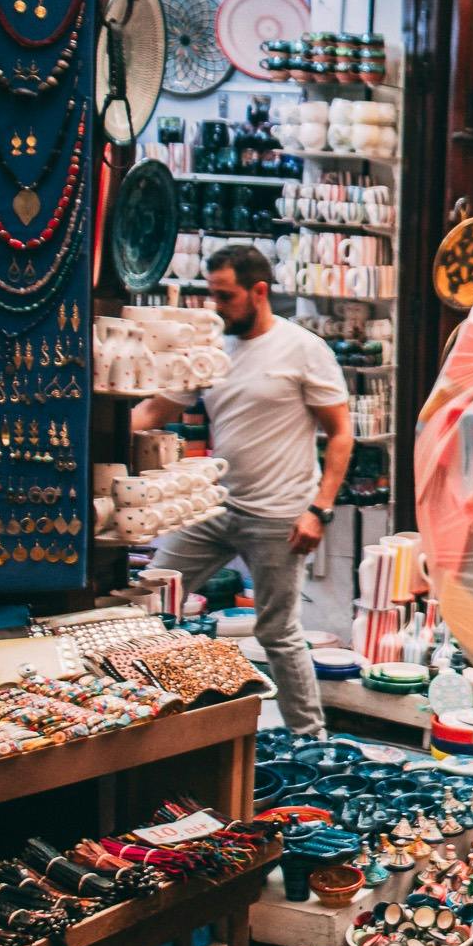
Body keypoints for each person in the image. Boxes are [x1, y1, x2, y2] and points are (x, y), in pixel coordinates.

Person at [133, 246, 352, 735]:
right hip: (213, 505)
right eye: (211, 295)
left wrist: (320, 509)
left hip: (279, 515)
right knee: (147, 601)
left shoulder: (303, 349)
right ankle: (149, 724)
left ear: (258, 291)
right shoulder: (211, 353)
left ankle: (309, 738)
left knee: (278, 630)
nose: (216, 306)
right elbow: (155, 411)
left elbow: (341, 434)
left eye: (225, 296)